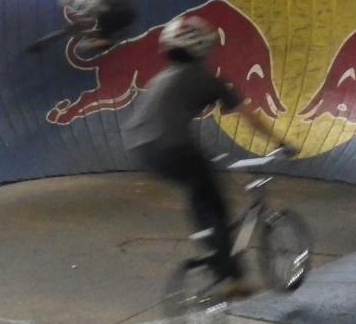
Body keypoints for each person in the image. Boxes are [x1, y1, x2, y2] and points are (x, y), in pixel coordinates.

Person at [123, 15, 292, 291]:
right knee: (216, 205)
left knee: (200, 193)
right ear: (201, 49)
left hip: (141, 149)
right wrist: (280, 142)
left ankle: (210, 245)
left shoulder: (164, 78)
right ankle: (231, 276)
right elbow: (250, 117)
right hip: (173, 146)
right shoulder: (206, 79)